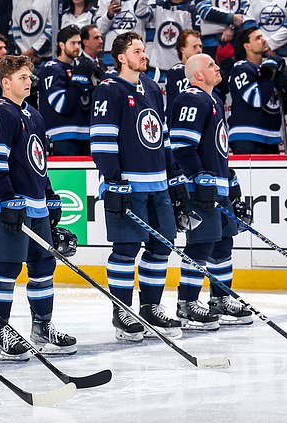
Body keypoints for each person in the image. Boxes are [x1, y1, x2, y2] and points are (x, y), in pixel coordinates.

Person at [0, 55, 77, 360]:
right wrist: (7, 198)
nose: (29, 81)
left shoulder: (34, 114)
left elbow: (38, 163)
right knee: (7, 267)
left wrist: (49, 194)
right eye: (22, 77)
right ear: (6, 82)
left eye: (29, 77)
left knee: (43, 266)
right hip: (8, 203)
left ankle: (42, 327)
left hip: (34, 203)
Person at [90, 32, 185, 342]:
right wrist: (113, 181)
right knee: (127, 249)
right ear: (120, 57)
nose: (143, 55)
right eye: (136, 51)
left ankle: (151, 307)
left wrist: (174, 179)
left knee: (162, 245)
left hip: (158, 184)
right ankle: (122, 311)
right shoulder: (109, 89)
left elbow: (164, 138)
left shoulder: (153, 89)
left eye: (144, 49)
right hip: (128, 185)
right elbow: (102, 140)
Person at [169, 53, 253, 329]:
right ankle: (187, 303)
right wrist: (198, 178)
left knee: (223, 242)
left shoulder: (213, 99)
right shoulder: (190, 99)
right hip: (198, 190)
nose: (217, 68)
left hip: (216, 186)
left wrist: (228, 178)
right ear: (197, 75)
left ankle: (220, 298)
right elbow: (182, 147)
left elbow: (214, 148)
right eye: (211, 66)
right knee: (202, 244)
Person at [228, 27, 287, 154]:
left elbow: (285, 106)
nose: (264, 40)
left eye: (263, 36)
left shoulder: (269, 68)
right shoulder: (241, 67)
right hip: (246, 135)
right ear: (246, 46)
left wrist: (284, 90)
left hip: (271, 138)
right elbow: (256, 99)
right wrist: (269, 73)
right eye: (258, 38)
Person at [38, 25, 90, 155]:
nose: (77, 47)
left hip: (86, 135)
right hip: (61, 136)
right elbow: (61, 105)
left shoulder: (80, 69)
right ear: (61, 45)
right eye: (73, 43)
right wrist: (78, 81)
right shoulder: (52, 68)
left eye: (79, 42)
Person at [165, 30, 202, 121]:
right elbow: (189, 101)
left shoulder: (205, 71)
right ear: (182, 49)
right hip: (180, 126)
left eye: (200, 46)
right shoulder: (177, 71)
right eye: (194, 47)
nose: (199, 50)